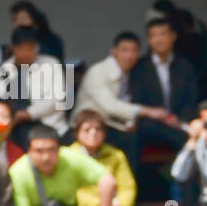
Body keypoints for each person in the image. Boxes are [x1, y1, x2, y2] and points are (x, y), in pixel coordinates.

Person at [78, 31, 184, 188]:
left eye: (134, 51)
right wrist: (149, 112)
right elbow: (110, 107)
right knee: (131, 139)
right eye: (124, 50)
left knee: (147, 132)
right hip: (92, 126)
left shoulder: (132, 73)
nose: (129, 55)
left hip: (117, 125)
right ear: (113, 51)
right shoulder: (98, 72)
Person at [68, 108, 137, 206]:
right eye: (87, 129)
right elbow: (70, 190)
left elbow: (127, 187)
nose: (93, 133)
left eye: (98, 129)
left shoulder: (115, 155)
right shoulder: (68, 157)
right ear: (77, 133)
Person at [0, 25, 69, 148]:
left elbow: (57, 97)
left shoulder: (52, 64)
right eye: (21, 48)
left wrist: (28, 114)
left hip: (51, 125)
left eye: (30, 48)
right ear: (13, 48)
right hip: (15, 130)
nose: (26, 53)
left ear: (37, 47)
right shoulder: (4, 69)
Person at [130, 16, 199, 123]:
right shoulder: (139, 67)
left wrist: (180, 120)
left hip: (180, 123)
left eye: (163, 34)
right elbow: (136, 100)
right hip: (150, 125)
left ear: (173, 36)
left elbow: (191, 99)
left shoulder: (185, 66)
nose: (159, 40)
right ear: (149, 40)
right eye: (154, 36)